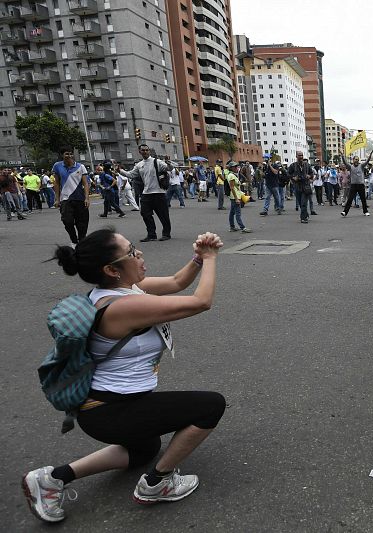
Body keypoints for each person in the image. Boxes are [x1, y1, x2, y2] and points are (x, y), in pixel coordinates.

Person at [22, 229, 226, 523]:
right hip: (109, 410)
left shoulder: (121, 290)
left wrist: (197, 257)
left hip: (106, 407)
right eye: (131, 252)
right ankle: (158, 484)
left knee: (146, 448)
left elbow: (176, 282)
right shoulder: (124, 306)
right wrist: (210, 258)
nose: (140, 254)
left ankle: (52, 478)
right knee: (211, 406)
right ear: (111, 269)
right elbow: (200, 301)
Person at [119, 145, 173, 242]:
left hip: (158, 193)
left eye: (147, 150)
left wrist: (169, 163)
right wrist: (120, 171)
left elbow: (168, 169)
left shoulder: (157, 162)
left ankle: (166, 234)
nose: (145, 152)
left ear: (149, 151)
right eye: (143, 150)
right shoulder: (139, 165)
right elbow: (131, 175)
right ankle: (151, 234)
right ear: (139, 151)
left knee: (163, 215)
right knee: (145, 214)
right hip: (146, 193)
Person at [52, 148, 90, 244]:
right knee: (67, 221)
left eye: (71, 154)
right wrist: (57, 199)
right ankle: (74, 240)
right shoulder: (57, 166)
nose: (69, 156)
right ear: (62, 155)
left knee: (82, 223)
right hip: (65, 199)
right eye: (66, 154)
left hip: (80, 199)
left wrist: (87, 198)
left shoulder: (80, 167)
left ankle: (81, 242)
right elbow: (56, 183)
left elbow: (85, 184)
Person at [287, 152, 316, 223]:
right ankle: (305, 214)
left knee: (304, 203)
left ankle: (303, 218)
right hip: (297, 186)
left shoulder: (307, 165)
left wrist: (309, 176)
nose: (301, 157)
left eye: (302, 155)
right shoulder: (293, 165)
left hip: (305, 186)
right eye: (299, 155)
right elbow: (288, 174)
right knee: (300, 203)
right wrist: (293, 178)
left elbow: (311, 173)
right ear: (296, 156)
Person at [341, 152, 372, 217]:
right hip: (353, 185)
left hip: (360, 185)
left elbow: (367, 161)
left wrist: (370, 155)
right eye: (355, 159)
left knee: (363, 199)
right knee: (350, 199)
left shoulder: (361, 166)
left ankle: (365, 211)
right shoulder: (350, 167)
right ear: (353, 160)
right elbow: (345, 162)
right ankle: (345, 212)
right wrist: (342, 155)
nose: (356, 161)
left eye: (357, 159)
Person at [225, 161, 252, 233]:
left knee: (232, 212)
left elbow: (235, 186)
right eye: (235, 167)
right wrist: (236, 198)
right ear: (231, 168)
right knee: (238, 213)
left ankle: (232, 227)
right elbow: (232, 187)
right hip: (235, 196)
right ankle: (242, 227)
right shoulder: (231, 175)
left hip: (235, 196)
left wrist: (241, 184)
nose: (237, 168)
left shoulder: (233, 175)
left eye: (237, 166)